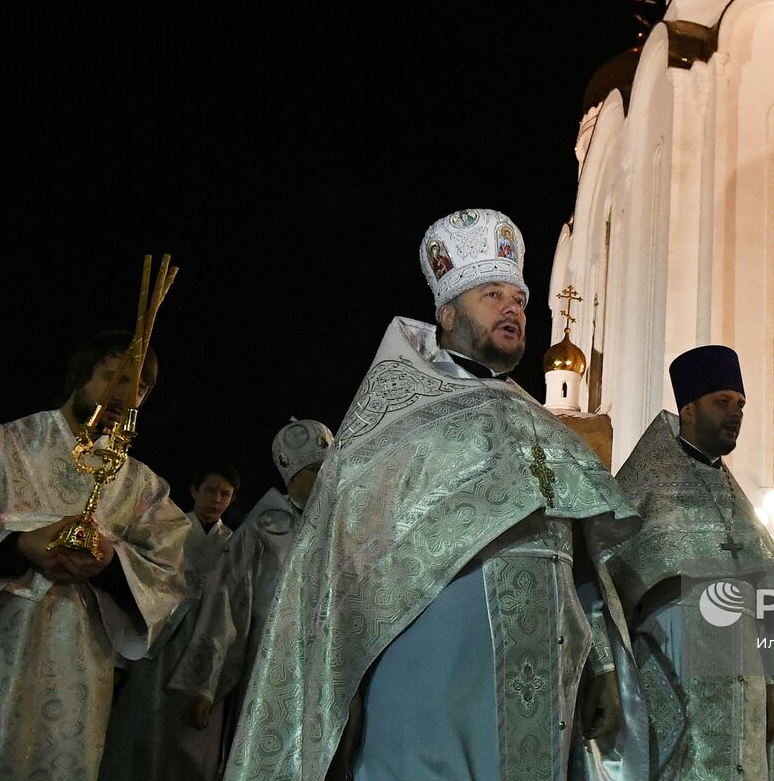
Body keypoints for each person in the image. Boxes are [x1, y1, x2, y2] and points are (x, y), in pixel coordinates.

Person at [224, 209, 646, 781]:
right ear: (447, 314)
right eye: (491, 294)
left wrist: (599, 664)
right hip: (429, 688)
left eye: (518, 297)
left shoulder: (539, 424)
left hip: (543, 691)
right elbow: (342, 560)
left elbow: (579, 560)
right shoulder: (394, 419)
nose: (513, 307)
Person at [0, 331, 190, 781]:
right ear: (82, 376)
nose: (127, 396)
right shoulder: (8, 447)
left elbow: (168, 573)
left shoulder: (140, 485)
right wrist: (20, 545)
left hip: (81, 662)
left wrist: (110, 565)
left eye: (141, 388)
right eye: (114, 378)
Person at [606, 345, 774, 779]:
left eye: (740, 403)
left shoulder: (738, 502)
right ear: (687, 409)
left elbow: (768, 602)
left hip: (745, 682)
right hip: (671, 674)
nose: (736, 412)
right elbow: (606, 587)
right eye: (721, 401)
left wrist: (768, 684)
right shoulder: (644, 484)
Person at [168, 419, 333, 760]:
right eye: (316, 469)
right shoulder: (262, 529)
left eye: (329, 467)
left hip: (328, 666)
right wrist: (205, 684)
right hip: (269, 663)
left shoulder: (342, 522)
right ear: (292, 474)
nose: (326, 476)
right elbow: (224, 601)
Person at [99, 461, 238, 781]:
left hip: (206, 646)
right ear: (193, 491)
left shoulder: (234, 543)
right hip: (159, 639)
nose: (216, 500)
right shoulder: (167, 531)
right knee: (141, 727)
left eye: (225, 495)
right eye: (210, 491)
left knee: (186, 744)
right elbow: (141, 587)